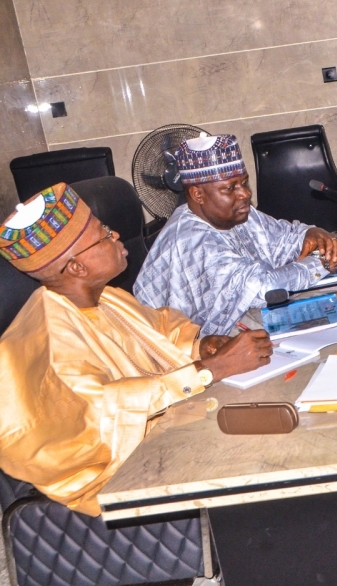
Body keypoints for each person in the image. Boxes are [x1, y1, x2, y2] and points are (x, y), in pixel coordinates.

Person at [0, 183, 272, 515]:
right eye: (103, 236)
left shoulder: (103, 297)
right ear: (75, 268)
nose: (116, 235)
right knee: (260, 456)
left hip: (161, 432)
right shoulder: (50, 338)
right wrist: (213, 370)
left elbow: (160, 332)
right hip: (111, 476)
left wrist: (204, 346)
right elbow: (102, 411)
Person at [134, 134, 337, 336]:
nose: (245, 194)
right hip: (189, 357)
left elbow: (283, 238)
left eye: (244, 183)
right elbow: (264, 289)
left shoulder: (234, 212)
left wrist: (312, 233)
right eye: (230, 188)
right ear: (198, 194)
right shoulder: (191, 240)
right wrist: (324, 262)